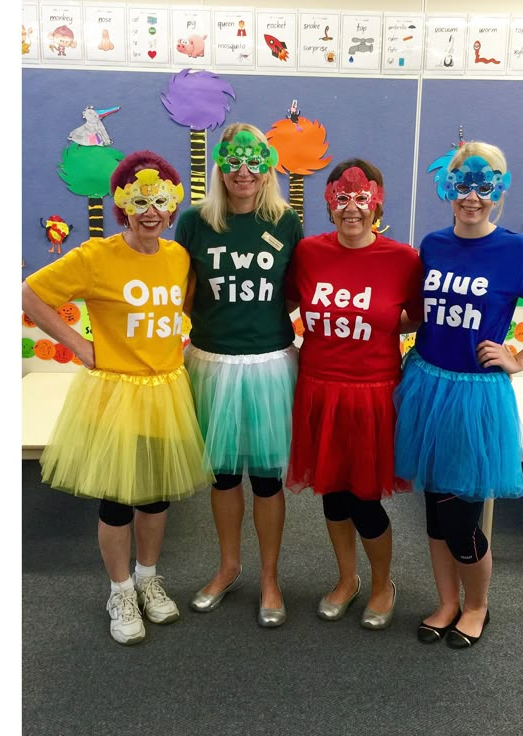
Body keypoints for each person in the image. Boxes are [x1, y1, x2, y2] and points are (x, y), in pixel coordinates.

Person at [22, 151, 213, 646]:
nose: (151, 210)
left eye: (160, 201)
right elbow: (30, 294)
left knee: (155, 496)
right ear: (122, 205)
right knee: (118, 500)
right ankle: (120, 589)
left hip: (167, 390)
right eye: (139, 201)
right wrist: (81, 346)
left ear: (173, 206)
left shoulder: (177, 257)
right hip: (116, 393)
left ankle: (148, 579)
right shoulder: (96, 256)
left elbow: (184, 308)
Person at [393, 141, 523, 647]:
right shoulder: (432, 244)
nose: (471, 196)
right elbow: (422, 313)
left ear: (499, 190)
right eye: (461, 184)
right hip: (427, 386)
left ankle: (477, 606)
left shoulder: (518, 251)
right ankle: (447, 600)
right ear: (446, 187)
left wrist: (518, 358)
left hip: (475, 401)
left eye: (484, 184)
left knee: (460, 518)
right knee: (434, 508)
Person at [285, 159, 424, 630]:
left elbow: (417, 317)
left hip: (372, 394)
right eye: (342, 199)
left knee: (367, 499)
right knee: (333, 497)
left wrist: (382, 328)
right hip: (320, 389)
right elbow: (284, 302)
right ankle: (347, 580)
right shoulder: (308, 252)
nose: (352, 209)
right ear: (328, 202)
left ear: (377, 202)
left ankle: (383, 584)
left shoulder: (402, 259)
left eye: (361, 199)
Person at [175, 123, 303, 627]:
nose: (243, 172)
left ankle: (270, 578)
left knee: (267, 479)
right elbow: (181, 289)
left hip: (269, 363)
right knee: (224, 475)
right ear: (220, 166)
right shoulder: (194, 222)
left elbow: (293, 290)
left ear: (267, 166)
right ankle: (228, 566)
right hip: (211, 362)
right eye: (233, 162)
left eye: (253, 162)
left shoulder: (286, 222)